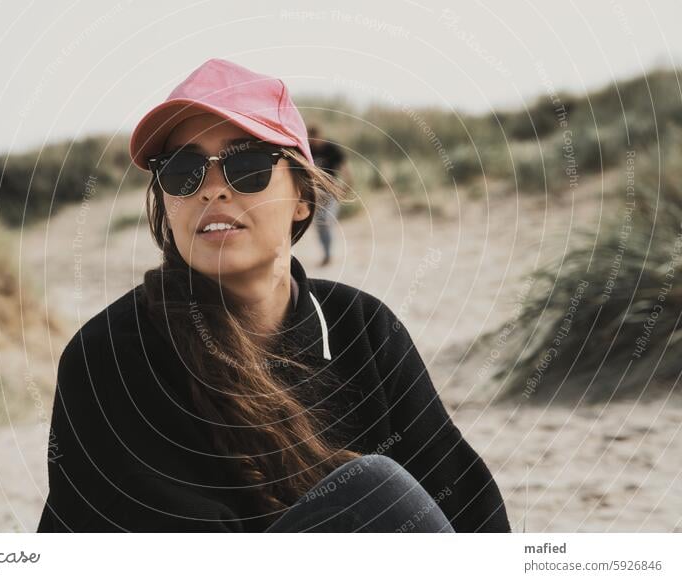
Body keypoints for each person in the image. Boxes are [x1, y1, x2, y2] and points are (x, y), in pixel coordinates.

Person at [36, 58, 510, 533]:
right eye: (183, 170)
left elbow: (465, 505)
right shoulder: (113, 354)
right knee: (372, 491)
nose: (212, 190)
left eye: (248, 165)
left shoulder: (359, 326)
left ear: (304, 196)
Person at [308, 125, 351, 266]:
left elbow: (344, 168)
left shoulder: (332, 148)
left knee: (326, 221)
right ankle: (326, 252)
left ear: (321, 136)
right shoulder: (308, 149)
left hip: (331, 190)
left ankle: (328, 254)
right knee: (320, 224)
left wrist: (347, 186)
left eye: (315, 139)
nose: (314, 142)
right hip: (315, 193)